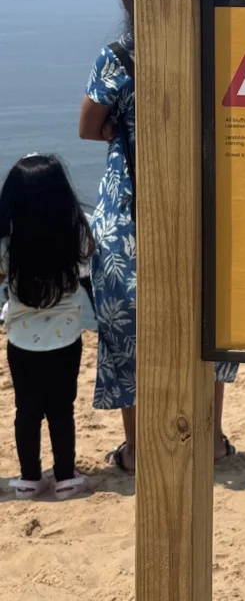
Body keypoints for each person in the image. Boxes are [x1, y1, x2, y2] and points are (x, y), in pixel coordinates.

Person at [79, 0, 238, 473]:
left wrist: (117, 126)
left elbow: (88, 125)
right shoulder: (208, 43)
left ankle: (138, 444)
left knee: (125, 328)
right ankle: (211, 439)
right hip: (201, 198)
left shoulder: (119, 56)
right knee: (208, 320)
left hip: (130, 207)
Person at [0, 153, 91, 500]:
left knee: (27, 409)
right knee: (60, 408)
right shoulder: (74, 239)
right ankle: (66, 476)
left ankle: (29, 478)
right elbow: (89, 255)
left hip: (22, 342)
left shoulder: (9, 248)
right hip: (67, 339)